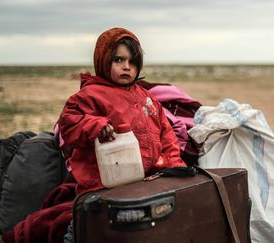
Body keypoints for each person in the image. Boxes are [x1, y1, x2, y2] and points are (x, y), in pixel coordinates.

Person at [57, 27, 186, 194]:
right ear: (103, 59)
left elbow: (166, 135)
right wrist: (95, 125)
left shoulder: (147, 98)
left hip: (148, 180)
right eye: (118, 60)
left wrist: (173, 164)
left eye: (132, 62)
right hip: (104, 185)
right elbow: (68, 124)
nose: (126, 67)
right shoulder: (89, 95)